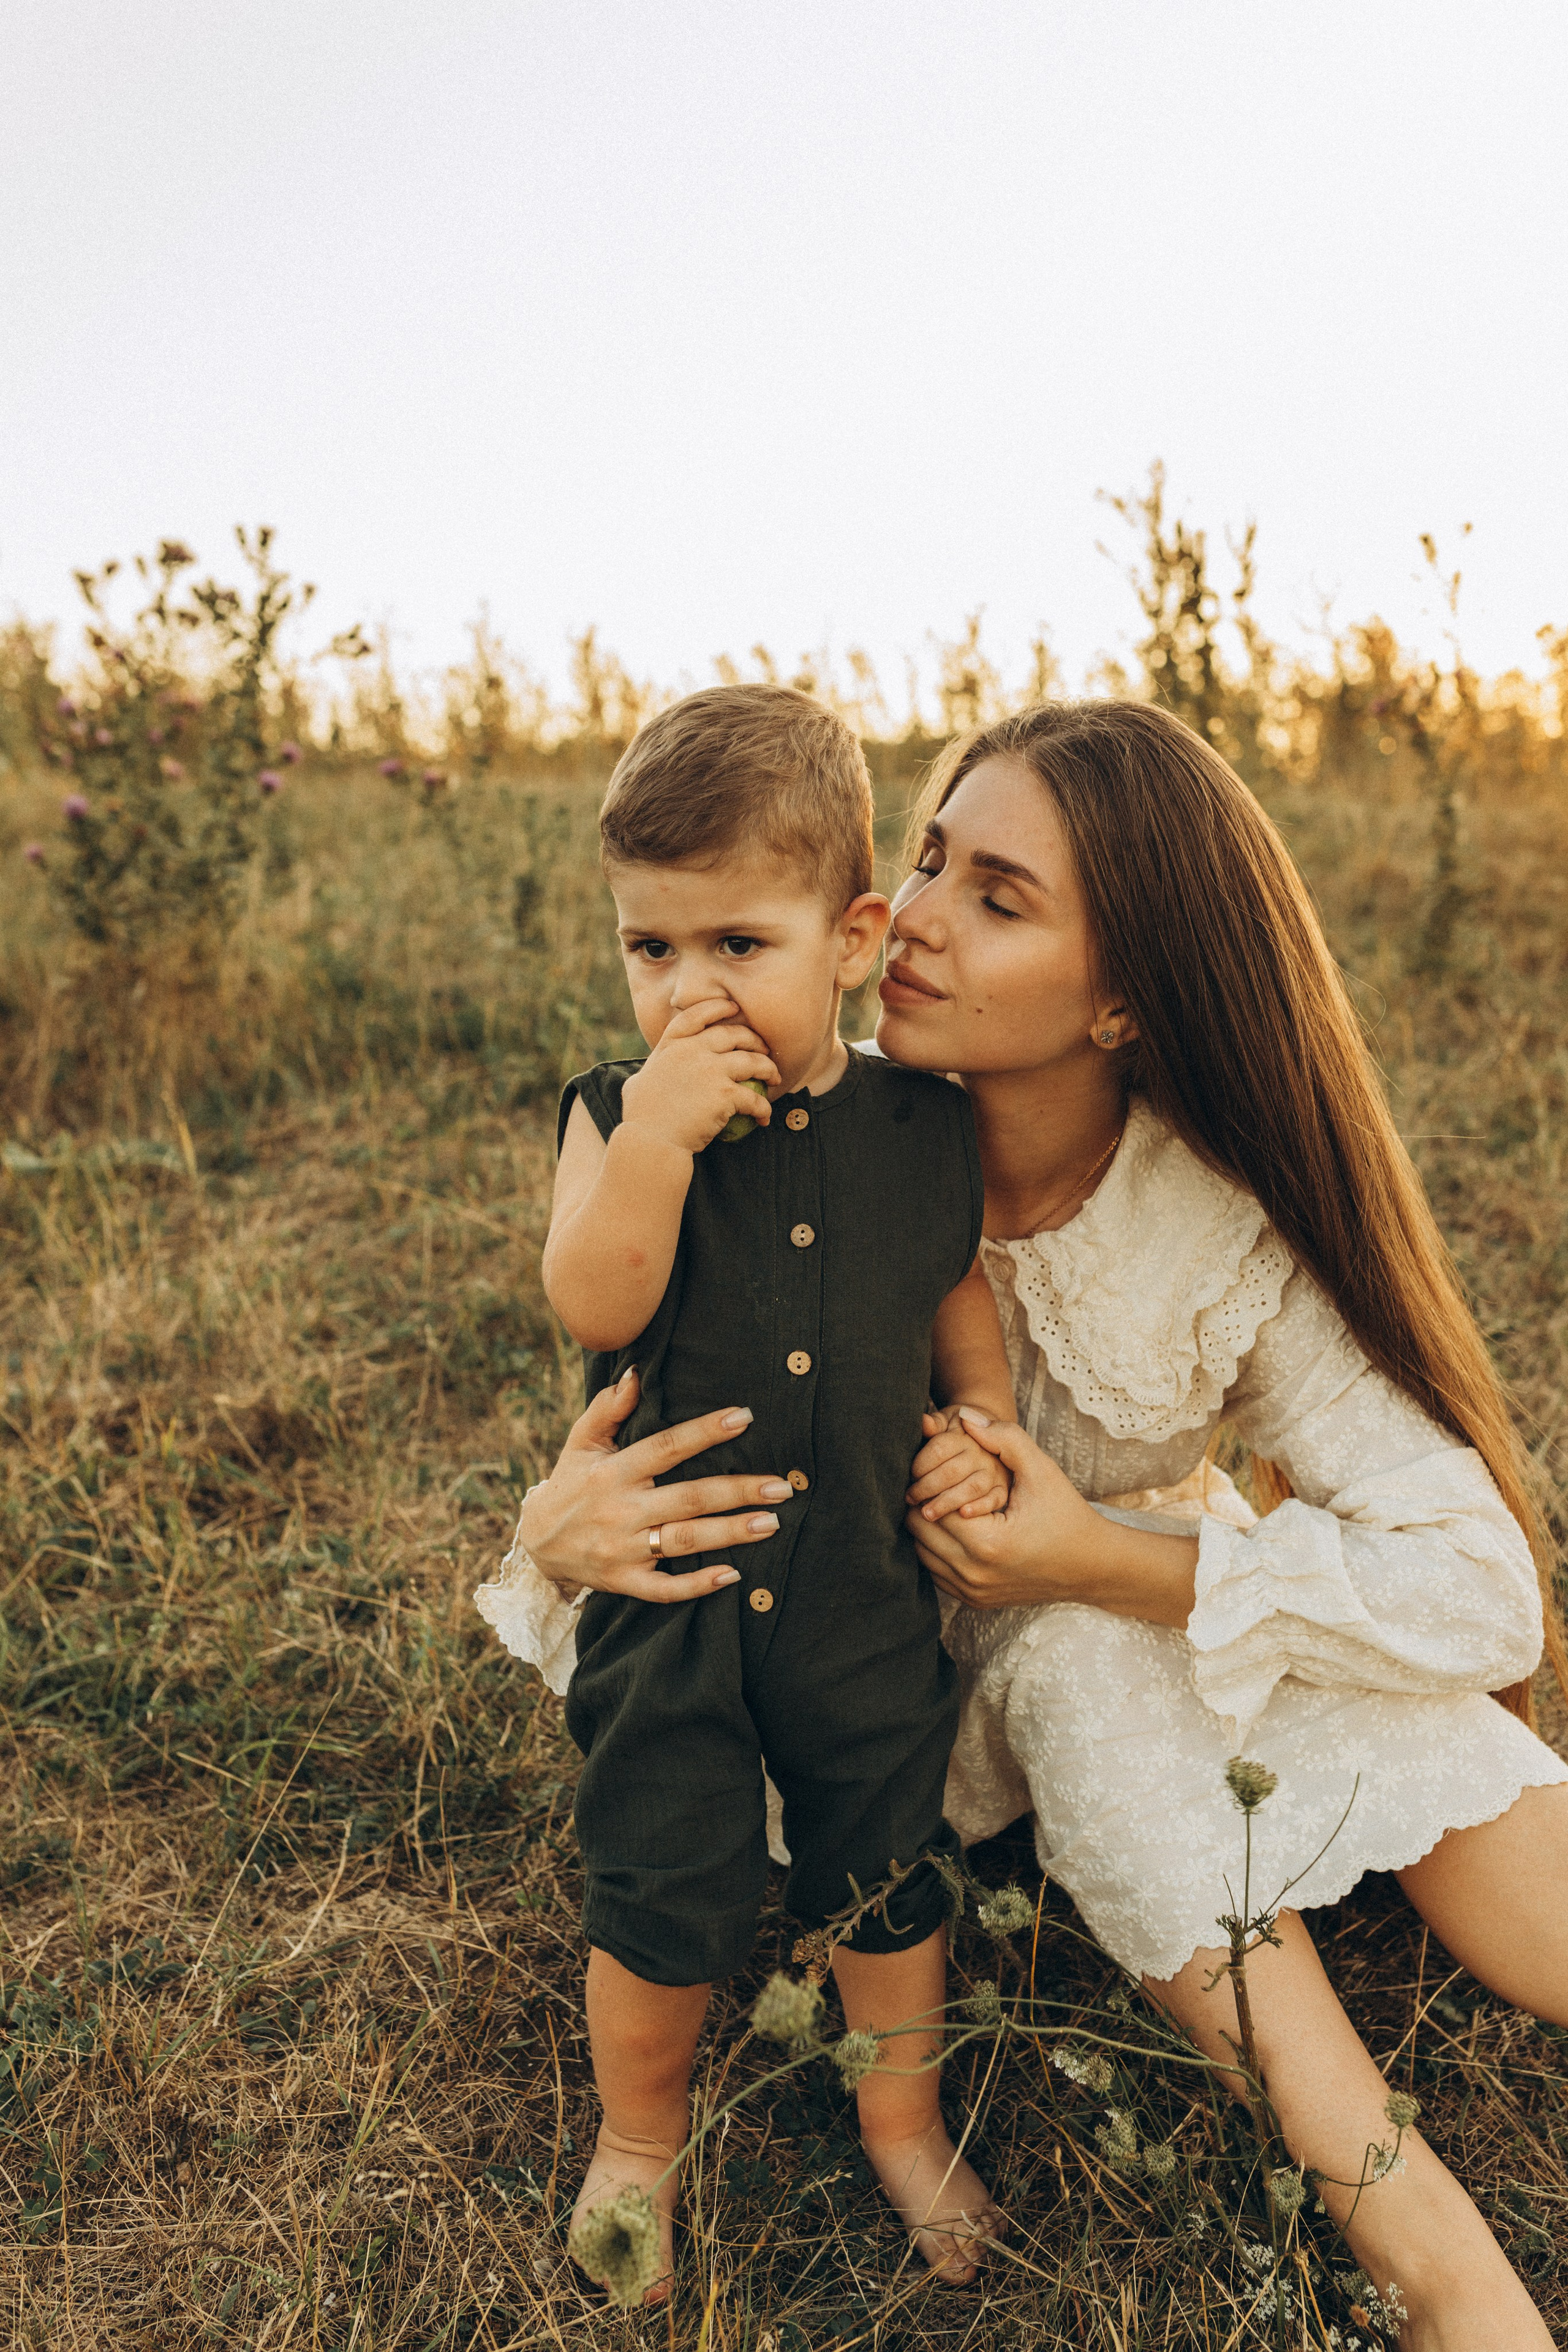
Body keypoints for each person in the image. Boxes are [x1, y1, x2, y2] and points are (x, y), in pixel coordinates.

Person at [510, 699, 1568, 2347]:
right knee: (1074, 1665)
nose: (914, 915)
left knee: (1459, 1796)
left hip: (1109, 1620)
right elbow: (643, 1362)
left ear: (1128, 992)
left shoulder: (1218, 1221)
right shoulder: (769, 1120)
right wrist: (548, 1524)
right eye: (926, 854)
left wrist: (1096, 1552)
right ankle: (1438, 2270)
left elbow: (1486, 1598)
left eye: (997, 897)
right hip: (828, 1672)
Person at [475, 685, 1015, 2303]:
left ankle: (901, 2122)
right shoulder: (611, 1111)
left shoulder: (925, 1124)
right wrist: (652, 1145)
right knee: (655, 1873)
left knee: (886, 1863)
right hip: (671, 1592)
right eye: (653, 950)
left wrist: (981, 1415)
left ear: (852, 937)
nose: (687, 991)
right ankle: (637, 2137)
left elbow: (957, 1295)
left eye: (738, 947)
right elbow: (597, 1301)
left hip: (859, 1579)